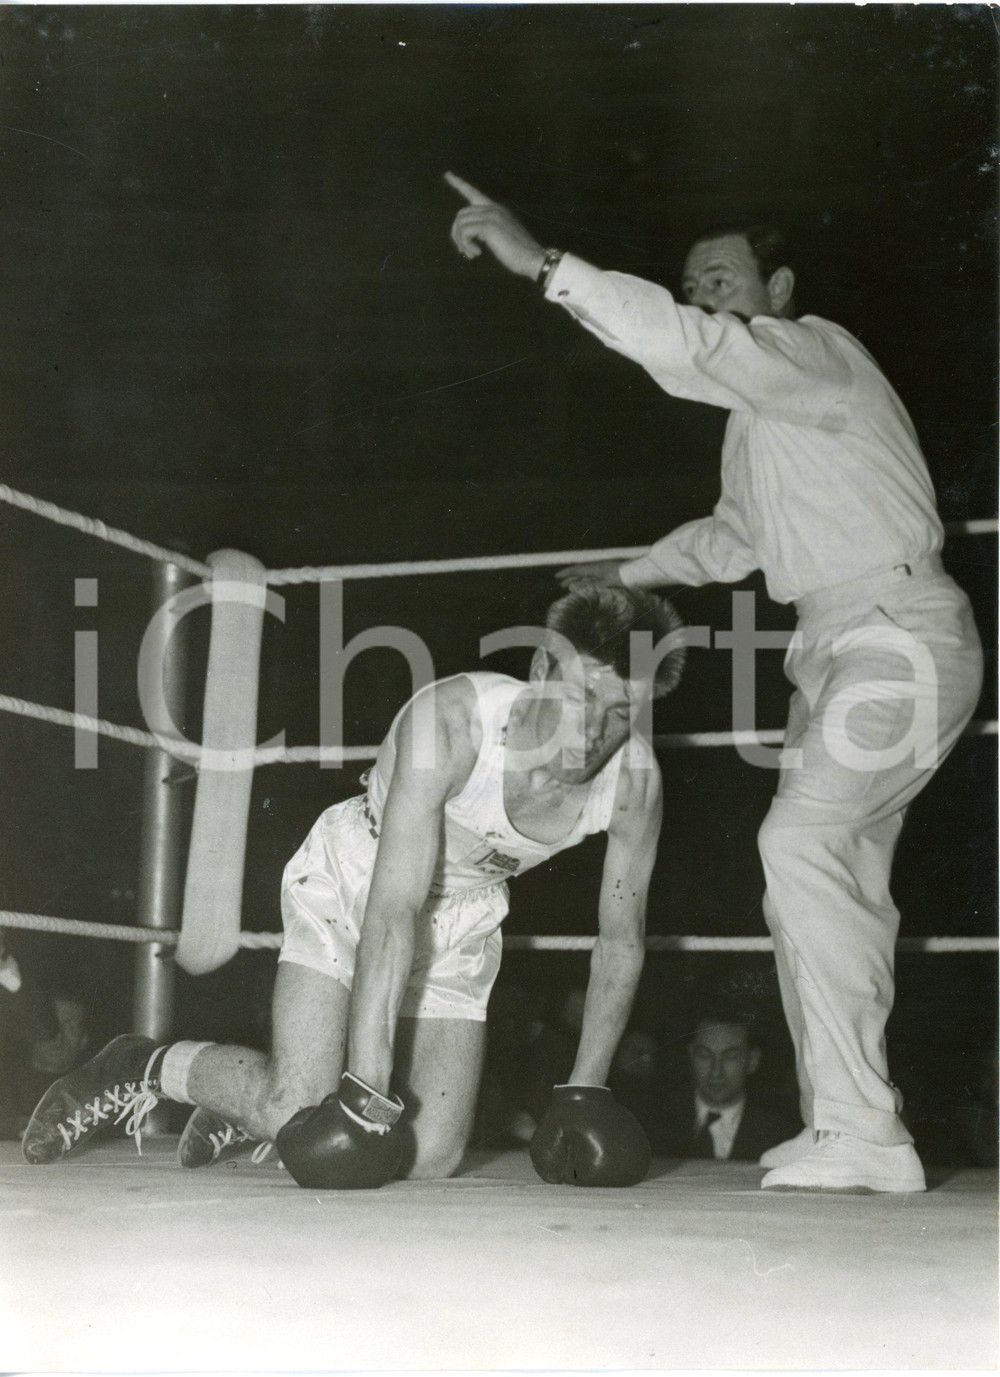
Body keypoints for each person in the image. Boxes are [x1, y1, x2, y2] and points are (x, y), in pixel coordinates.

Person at [446, 171, 984, 1193]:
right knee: (827, 882)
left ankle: (865, 1130)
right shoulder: (764, 422)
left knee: (802, 843)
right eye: (692, 285)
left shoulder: (815, 353)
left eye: (723, 279)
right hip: (836, 643)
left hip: (899, 635)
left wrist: (541, 263)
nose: (703, 299)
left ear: (779, 289)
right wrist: (627, 573)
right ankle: (845, 1121)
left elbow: (690, 348)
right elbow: (733, 539)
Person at [23, 584, 684, 1189]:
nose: (593, 733)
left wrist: (585, 1090)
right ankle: (141, 1064)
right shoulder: (451, 725)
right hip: (359, 881)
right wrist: (365, 1096)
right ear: (541, 670)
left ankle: (255, 1108)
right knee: (302, 1103)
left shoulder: (633, 784)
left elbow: (620, 941)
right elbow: (392, 912)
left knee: (429, 1157)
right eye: (581, 698)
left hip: (465, 916)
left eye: (620, 711)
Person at [614, 1003, 801, 1162]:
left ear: (752, 1060)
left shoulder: (784, 1133)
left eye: (730, 1057)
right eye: (705, 1055)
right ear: (691, 1055)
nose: (715, 1071)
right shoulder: (649, 1121)